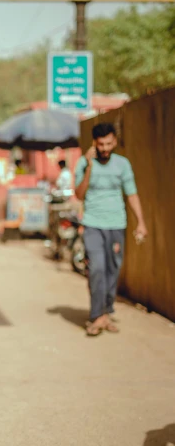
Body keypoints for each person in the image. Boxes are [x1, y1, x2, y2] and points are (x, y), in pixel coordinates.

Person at [75, 122, 147, 337]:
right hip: (93, 224)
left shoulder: (122, 165)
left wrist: (141, 222)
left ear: (114, 141)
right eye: (101, 144)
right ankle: (96, 316)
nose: (105, 148)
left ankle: (106, 312)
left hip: (117, 224)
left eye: (108, 143)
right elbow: (79, 194)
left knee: (112, 271)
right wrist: (88, 167)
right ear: (94, 144)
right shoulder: (84, 163)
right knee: (96, 268)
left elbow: (132, 194)